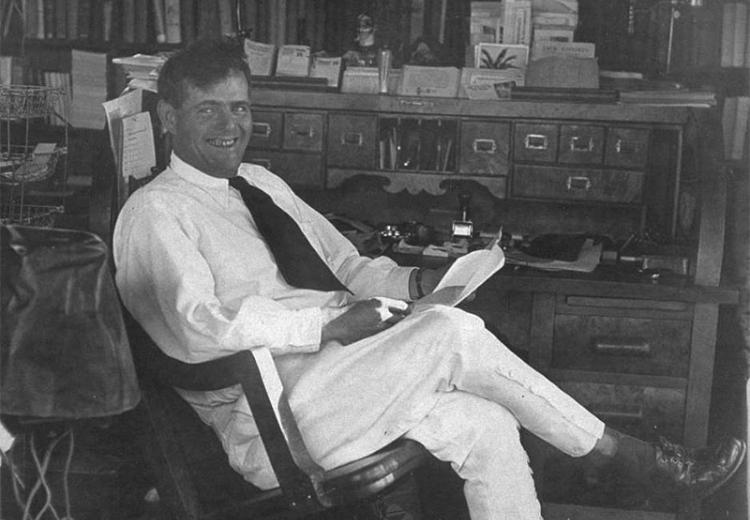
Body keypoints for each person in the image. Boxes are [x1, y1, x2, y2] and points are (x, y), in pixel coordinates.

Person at [113, 38, 746, 520]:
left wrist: (417, 284)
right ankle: (628, 460)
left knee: (486, 423)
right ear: (168, 118)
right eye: (208, 111)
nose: (231, 126)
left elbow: (346, 266)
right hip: (271, 417)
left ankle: (626, 462)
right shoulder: (154, 213)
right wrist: (328, 323)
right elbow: (197, 330)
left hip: (343, 381)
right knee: (450, 333)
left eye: (240, 107)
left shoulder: (260, 185)